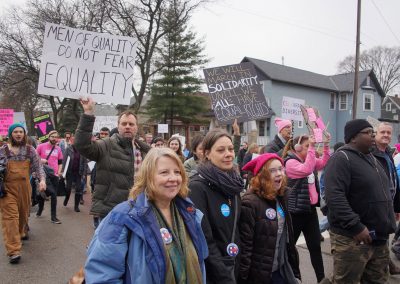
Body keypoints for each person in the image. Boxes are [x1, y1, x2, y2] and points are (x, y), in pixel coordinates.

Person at [85, 147, 208, 283]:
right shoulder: (121, 217)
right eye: (164, 172)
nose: (173, 178)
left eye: (177, 172)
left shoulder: (189, 212)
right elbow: (101, 274)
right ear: (148, 176)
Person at [325, 119, 400, 283]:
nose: (373, 136)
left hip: (378, 238)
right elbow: (334, 196)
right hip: (353, 239)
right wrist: (356, 226)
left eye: (373, 132)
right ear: (353, 137)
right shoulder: (341, 158)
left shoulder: (373, 159)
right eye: (368, 132)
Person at [74, 97, 150, 222]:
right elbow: (82, 145)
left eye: (131, 124)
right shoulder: (106, 145)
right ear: (118, 126)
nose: (127, 127)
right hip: (110, 211)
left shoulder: (145, 151)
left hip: (138, 211)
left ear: (137, 127)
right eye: (124, 124)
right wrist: (88, 113)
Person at [189, 128, 244, 283]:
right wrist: (224, 276)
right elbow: (205, 240)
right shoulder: (197, 188)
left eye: (231, 149)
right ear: (207, 153)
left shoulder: (233, 185)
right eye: (221, 150)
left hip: (235, 267)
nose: (228, 154)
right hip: (214, 274)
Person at [239, 153, 300, 283]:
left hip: (280, 271)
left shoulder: (281, 197)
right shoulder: (250, 203)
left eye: (280, 169)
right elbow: (246, 248)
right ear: (262, 176)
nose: (279, 174)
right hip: (259, 277)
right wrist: (243, 279)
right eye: (272, 170)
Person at [282, 133, 330, 283]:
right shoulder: (290, 162)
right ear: (296, 148)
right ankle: (295, 278)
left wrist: (326, 145)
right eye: (306, 145)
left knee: (315, 246)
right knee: (290, 248)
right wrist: (312, 147)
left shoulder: (307, 159)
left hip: (309, 211)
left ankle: (321, 279)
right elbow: (307, 169)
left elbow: (322, 163)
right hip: (295, 212)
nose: (310, 148)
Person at [0, 123, 46, 264]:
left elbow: (38, 167)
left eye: (21, 131)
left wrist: (42, 180)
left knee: (23, 216)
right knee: (10, 219)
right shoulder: (3, 151)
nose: (18, 134)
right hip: (8, 189)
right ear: (10, 134)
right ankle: (13, 251)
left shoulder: (30, 150)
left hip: (25, 188)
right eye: (15, 132)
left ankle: (21, 232)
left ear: (24, 134)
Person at [371, 122, 400, 275]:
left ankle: (385, 267)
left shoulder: (388, 152)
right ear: (375, 133)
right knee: (377, 241)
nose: (386, 135)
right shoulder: (370, 153)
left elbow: (394, 180)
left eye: (389, 133)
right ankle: (382, 269)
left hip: (388, 205)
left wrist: (396, 207)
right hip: (375, 207)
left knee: (384, 238)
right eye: (383, 132)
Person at [36, 130, 63, 224]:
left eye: (56, 137)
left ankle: (53, 217)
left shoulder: (58, 149)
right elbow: (34, 159)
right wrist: (41, 160)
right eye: (53, 137)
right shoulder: (41, 146)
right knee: (45, 194)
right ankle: (40, 208)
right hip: (43, 175)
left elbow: (60, 163)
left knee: (53, 195)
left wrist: (59, 173)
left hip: (54, 175)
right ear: (49, 137)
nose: (55, 139)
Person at [61, 136, 88, 212]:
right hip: (70, 172)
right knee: (68, 188)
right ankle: (67, 198)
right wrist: (63, 171)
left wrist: (84, 173)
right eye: (73, 141)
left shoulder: (82, 150)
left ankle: (76, 206)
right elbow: (64, 161)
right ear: (71, 141)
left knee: (79, 189)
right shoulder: (68, 149)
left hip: (78, 172)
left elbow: (85, 162)